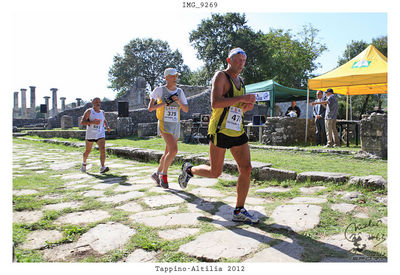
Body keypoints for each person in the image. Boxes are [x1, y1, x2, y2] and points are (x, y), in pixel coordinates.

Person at [178, 47, 259, 224]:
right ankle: (189, 170)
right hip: (220, 130)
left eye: (244, 61)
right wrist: (242, 99)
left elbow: (239, 107)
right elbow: (215, 103)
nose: (241, 64)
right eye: (238, 60)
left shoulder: (241, 81)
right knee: (215, 172)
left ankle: (239, 210)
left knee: (246, 168)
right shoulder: (221, 76)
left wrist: (248, 104)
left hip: (237, 129)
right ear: (229, 61)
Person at [148, 68, 189, 188]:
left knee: (168, 152)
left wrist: (178, 102)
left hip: (176, 124)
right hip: (164, 123)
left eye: (176, 76)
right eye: (173, 76)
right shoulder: (159, 90)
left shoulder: (180, 92)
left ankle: (156, 174)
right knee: (174, 150)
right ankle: (163, 175)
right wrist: (166, 102)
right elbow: (150, 108)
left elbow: (186, 109)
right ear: (166, 78)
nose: (175, 78)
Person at [80, 97, 111, 173]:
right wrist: (92, 122)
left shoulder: (102, 112)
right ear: (92, 103)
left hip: (100, 134)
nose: (98, 103)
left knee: (103, 149)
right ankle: (84, 163)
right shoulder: (89, 111)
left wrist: (107, 126)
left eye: (99, 102)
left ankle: (102, 167)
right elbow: (82, 122)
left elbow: (104, 120)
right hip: (91, 134)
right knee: (88, 151)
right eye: (96, 102)